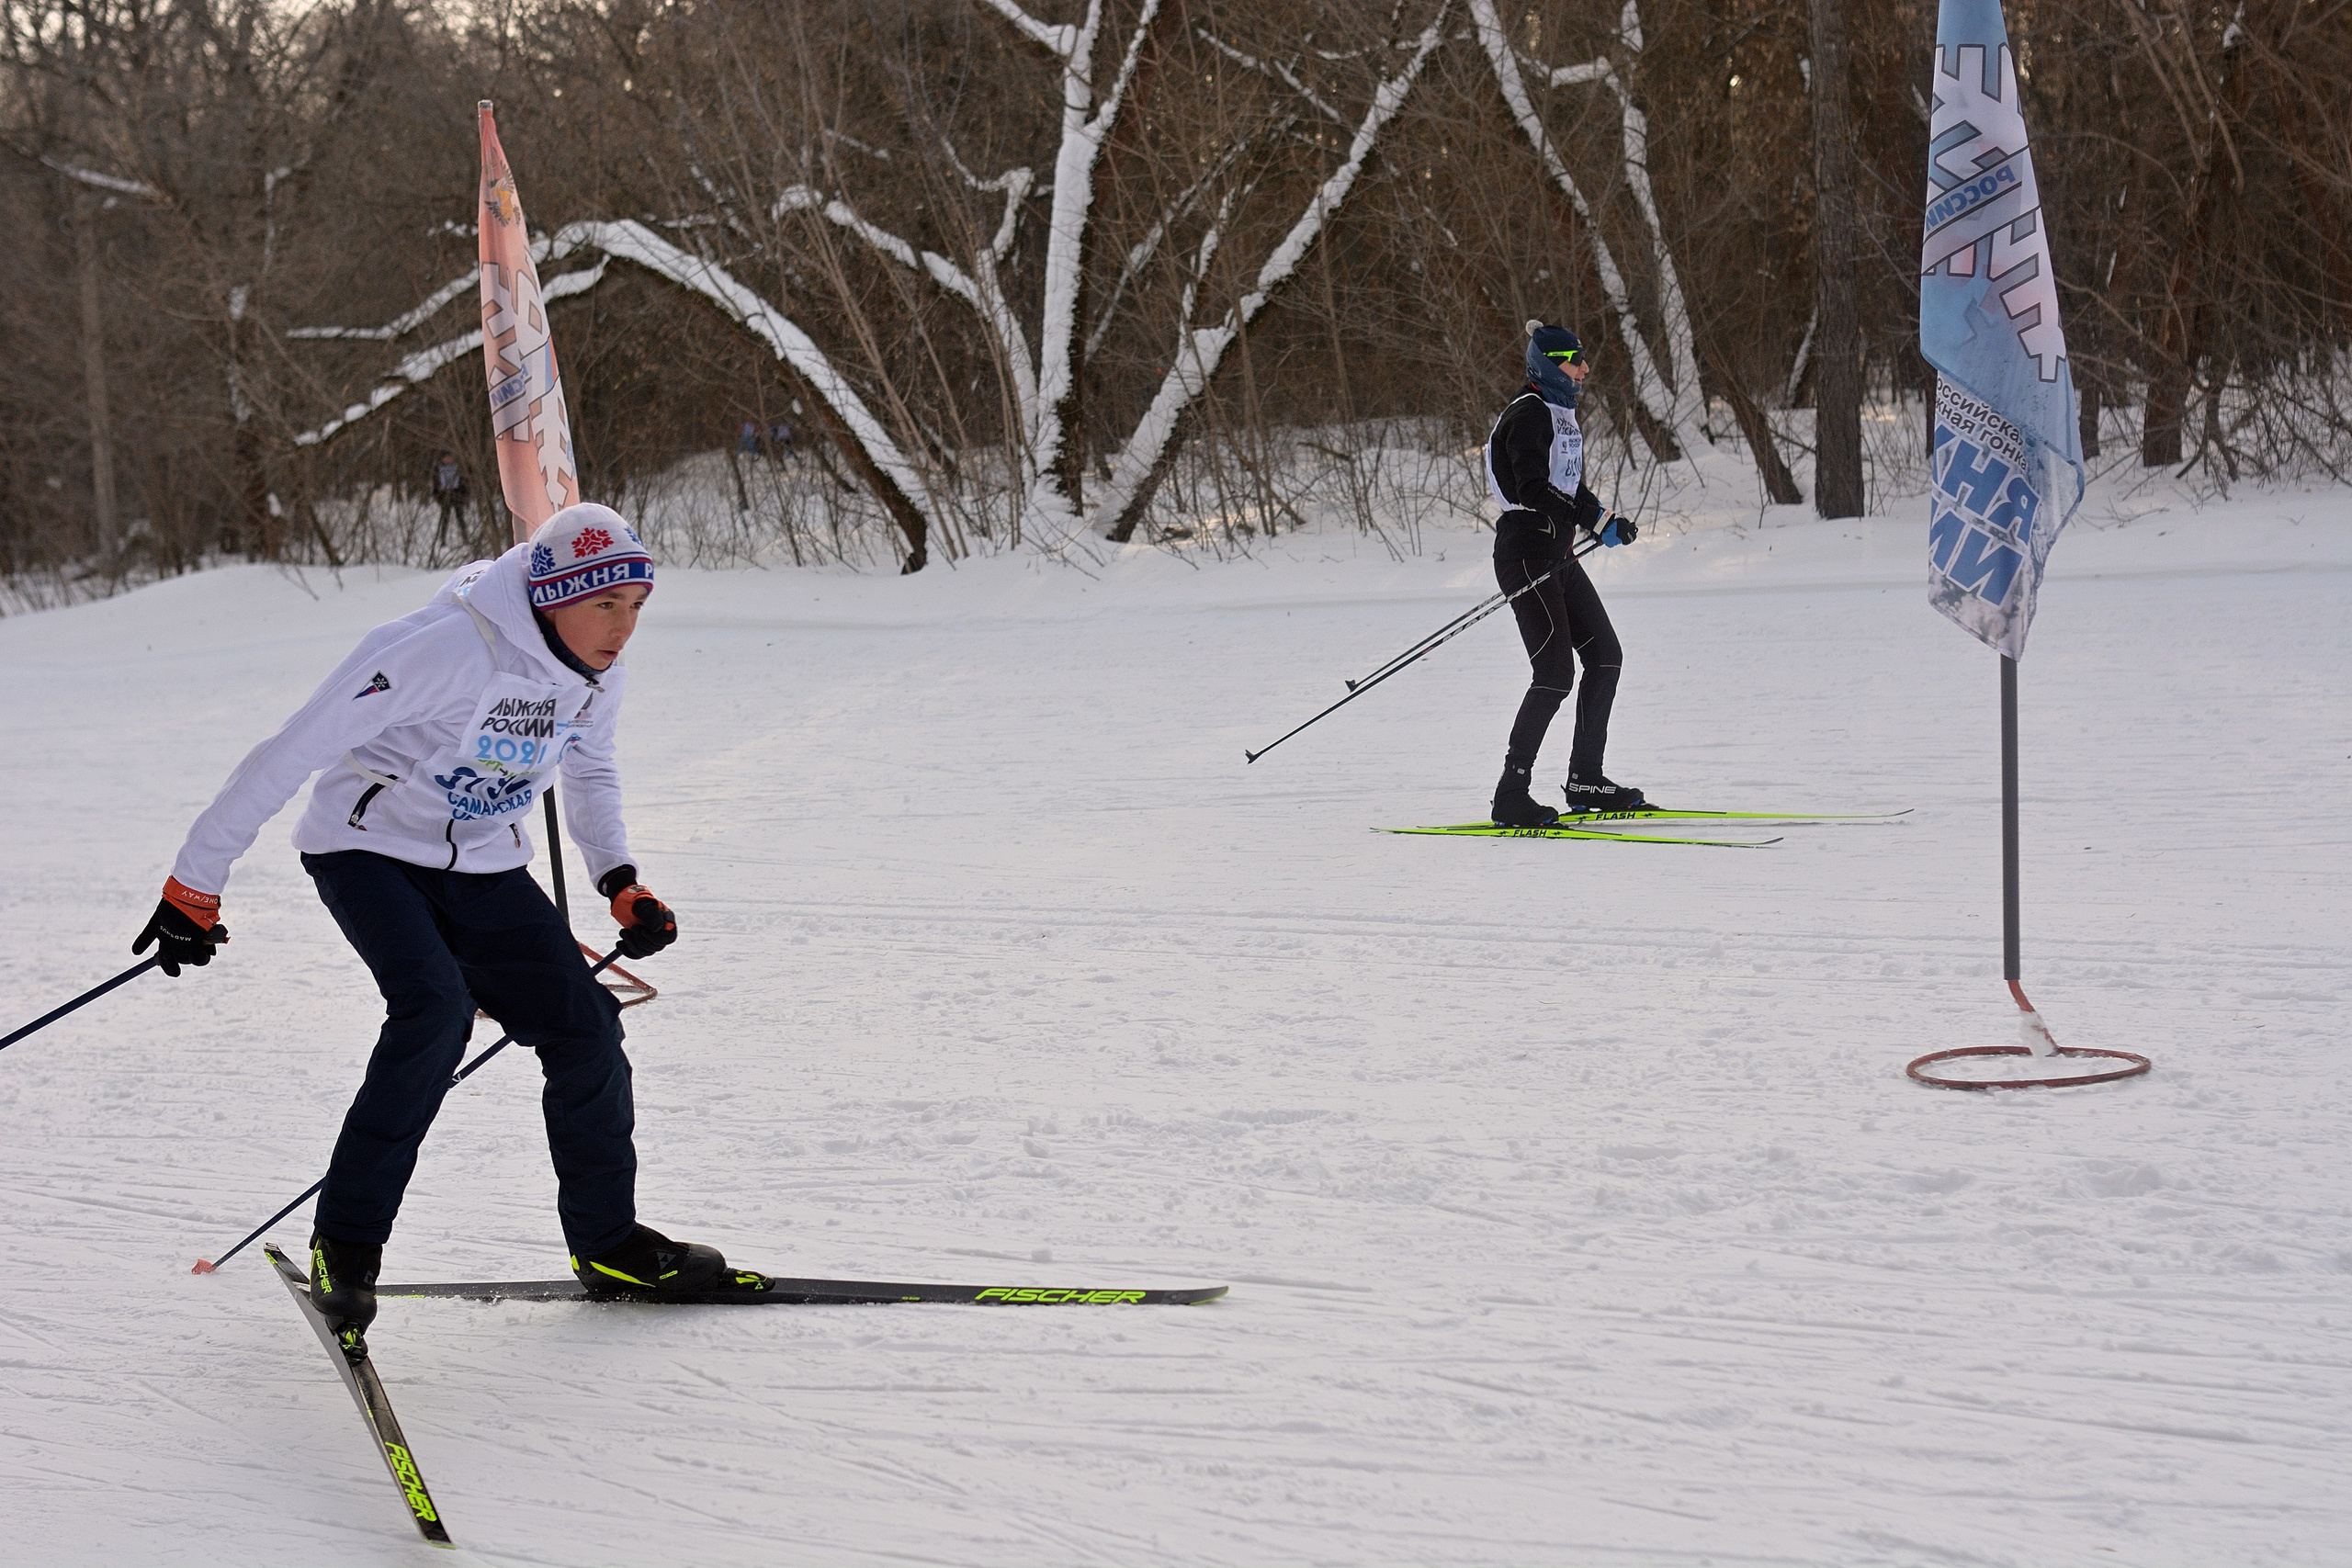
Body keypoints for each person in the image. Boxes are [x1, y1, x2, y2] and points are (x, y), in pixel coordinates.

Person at [130, 503, 752, 1348]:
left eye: (638, 605)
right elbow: (294, 746)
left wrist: (618, 878)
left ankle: (608, 1244)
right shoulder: (442, 648)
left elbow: (591, 765)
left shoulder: (595, 673)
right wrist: (193, 884)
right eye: (605, 605)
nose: (624, 627)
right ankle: (344, 1246)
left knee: (587, 1025)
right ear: (553, 594)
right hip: (368, 847)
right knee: (434, 1011)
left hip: (486, 863)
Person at [1484, 321, 1643, 825]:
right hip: (1526, 555)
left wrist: (1603, 521)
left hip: (1558, 555)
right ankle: (1510, 795)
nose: (1585, 367)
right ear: (1549, 364)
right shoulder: (1528, 414)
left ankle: (1586, 779)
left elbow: (1568, 488)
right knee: (1553, 675)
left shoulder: (1561, 414)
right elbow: (1532, 488)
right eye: (1575, 359)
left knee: (1606, 656)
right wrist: (1582, 517)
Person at [429, 454, 469, 550]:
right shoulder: (438, 469)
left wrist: (464, 496)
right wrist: (438, 497)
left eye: (450, 457)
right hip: (444, 496)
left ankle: (465, 538)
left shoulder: (458, 469)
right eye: (446, 457)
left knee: (460, 518)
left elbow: (464, 483)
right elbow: (436, 485)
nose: (448, 459)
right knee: (444, 519)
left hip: (457, 496)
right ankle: (442, 539)